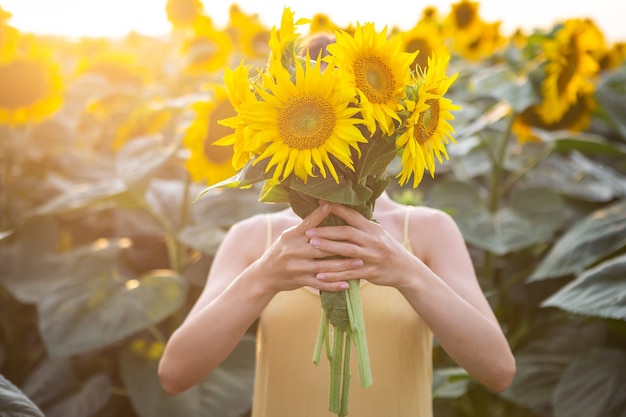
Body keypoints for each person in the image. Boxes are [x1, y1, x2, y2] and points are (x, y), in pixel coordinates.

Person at [158, 191, 516, 417]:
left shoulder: (427, 231)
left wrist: (407, 271)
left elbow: (498, 370)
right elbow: (176, 373)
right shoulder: (256, 238)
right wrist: (263, 277)